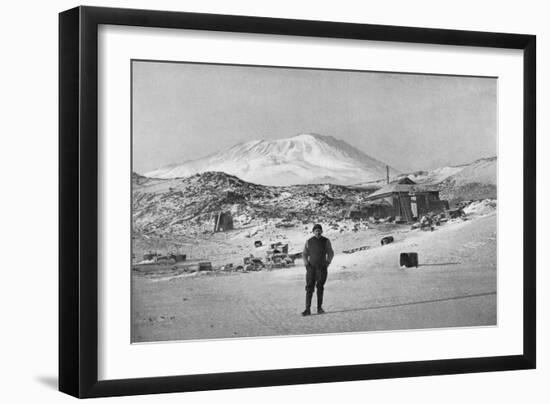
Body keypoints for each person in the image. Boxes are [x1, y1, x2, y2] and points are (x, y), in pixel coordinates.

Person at [301, 224, 334, 316]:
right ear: (313, 232)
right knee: (309, 288)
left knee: (320, 287)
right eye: (316, 231)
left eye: (319, 230)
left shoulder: (326, 241)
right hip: (311, 268)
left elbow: (330, 252)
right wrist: (306, 264)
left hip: (322, 268)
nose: (318, 232)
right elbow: (304, 254)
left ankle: (319, 308)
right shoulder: (309, 241)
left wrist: (327, 263)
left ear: (322, 231)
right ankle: (307, 309)